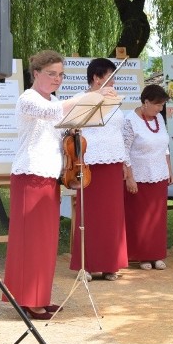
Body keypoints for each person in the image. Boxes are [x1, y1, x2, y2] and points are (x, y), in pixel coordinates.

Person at [3, 50, 118, 320]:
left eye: (61, 74)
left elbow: (60, 124)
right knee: (31, 241)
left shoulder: (53, 99)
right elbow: (52, 111)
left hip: (48, 175)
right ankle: (29, 300)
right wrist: (91, 96)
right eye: (51, 74)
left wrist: (76, 126)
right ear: (36, 74)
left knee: (45, 243)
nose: (57, 79)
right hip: (30, 174)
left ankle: (39, 297)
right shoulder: (28, 99)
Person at [69, 58, 129, 281]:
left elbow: (119, 132)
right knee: (90, 214)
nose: (114, 82)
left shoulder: (114, 100)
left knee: (111, 215)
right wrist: (96, 99)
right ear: (96, 77)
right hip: (90, 161)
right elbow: (73, 127)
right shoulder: (81, 100)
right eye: (110, 77)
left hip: (113, 162)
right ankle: (86, 265)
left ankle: (109, 264)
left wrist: (124, 163)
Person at [123, 84, 173, 271]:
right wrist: (129, 177)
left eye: (162, 105)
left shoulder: (159, 118)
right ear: (145, 102)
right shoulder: (130, 120)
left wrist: (169, 169)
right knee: (140, 218)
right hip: (139, 175)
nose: (160, 109)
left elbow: (165, 146)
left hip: (159, 174)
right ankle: (141, 256)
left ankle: (156, 254)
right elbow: (124, 151)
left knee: (157, 217)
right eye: (157, 105)